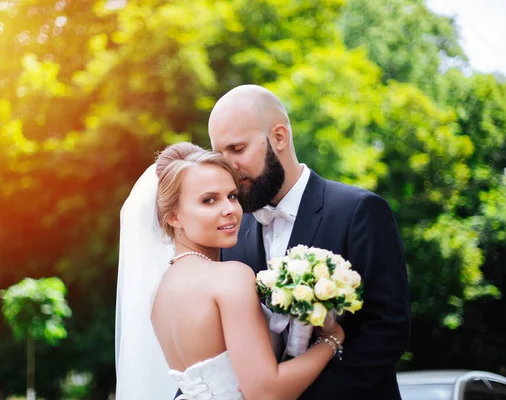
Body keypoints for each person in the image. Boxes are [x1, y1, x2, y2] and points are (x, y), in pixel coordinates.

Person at [207, 84, 411, 400]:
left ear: (279, 137)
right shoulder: (231, 235)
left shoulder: (358, 211)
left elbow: (387, 331)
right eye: (219, 155)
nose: (228, 167)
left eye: (237, 149)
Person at [115, 142, 345, 400]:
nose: (230, 210)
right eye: (209, 200)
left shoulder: (160, 293)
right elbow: (266, 392)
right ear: (174, 217)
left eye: (232, 196)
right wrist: (331, 340)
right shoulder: (230, 277)